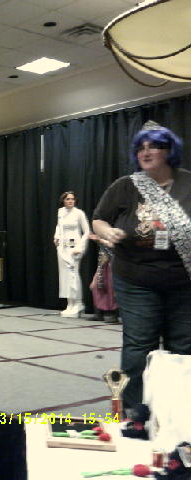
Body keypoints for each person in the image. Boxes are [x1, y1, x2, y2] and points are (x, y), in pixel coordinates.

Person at [92, 121, 191, 411]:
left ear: (169, 151)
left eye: (154, 146)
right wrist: (108, 231)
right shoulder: (125, 185)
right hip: (136, 279)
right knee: (139, 346)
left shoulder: (188, 183)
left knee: (184, 346)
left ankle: (177, 411)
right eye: (140, 148)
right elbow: (99, 219)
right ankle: (134, 410)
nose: (145, 152)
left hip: (183, 280)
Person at [54, 191, 90, 317]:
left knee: (73, 275)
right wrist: (56, 236)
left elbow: (87, 232)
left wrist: (80, 247)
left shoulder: (79, 213)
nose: (70, 201)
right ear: (63, 200)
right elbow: (59, 226)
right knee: (65, 276)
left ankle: (78, 304)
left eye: (72, 199)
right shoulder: (60, 212)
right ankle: (70, 304)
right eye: (68, 199)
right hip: (62, 248)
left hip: (75, 248)